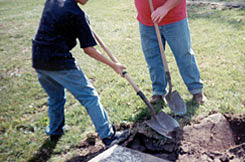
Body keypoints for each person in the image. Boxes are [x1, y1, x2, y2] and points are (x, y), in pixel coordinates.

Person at [32, 0, 129, 147]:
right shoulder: (77, 14)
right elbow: (88, 49)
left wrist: (83, 24)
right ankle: (108, 136)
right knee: (90, 97)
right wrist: (113, 65)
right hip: (59, 61)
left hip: (38, 58)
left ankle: (55, 131)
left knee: (55, 97)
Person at [134, 0, 206, 105]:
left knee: (184, 55)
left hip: (174, 19)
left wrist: (165, 8)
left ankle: (196, 90)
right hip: (147, 21)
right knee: (153, 58)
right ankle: (158, 91)